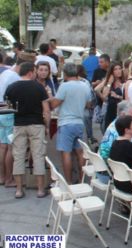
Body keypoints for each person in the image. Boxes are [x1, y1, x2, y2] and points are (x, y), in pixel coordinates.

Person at [5, 62, 49, 198]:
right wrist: (46, 126)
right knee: (38, 156)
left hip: (19, 124)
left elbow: (9, 106)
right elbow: (46, 110)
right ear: (30, 72)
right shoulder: (39, 87)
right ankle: (40, 189)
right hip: (36, 124)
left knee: (18, 156)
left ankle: (19, 190)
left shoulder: (11, 88)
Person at [48, 63, 92, 184]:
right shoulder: (85, 86)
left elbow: (54, 104)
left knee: (66, 153)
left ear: (65, 74)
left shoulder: (64, 86)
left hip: (66, 123)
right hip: (79, 122)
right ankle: (82, 179)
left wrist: (50, 97)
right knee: (80, 152)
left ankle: (68, 182)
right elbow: (89, 105)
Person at [0, 52, 33, 188]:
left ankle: (2, 177)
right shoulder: (15, 77)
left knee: (2, 148)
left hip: (1, 111)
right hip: (9, 112)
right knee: (10, 148)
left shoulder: (6, 73)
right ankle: (9, 179)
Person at [109, 115, 132, 194]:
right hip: (131, 185)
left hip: (118, 181)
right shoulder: (130, 146)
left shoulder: (114, 143)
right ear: (127, 130)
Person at [97, 61, 126, 129]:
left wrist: (117, 96)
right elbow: (104, 96)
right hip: (110, 111)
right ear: (112, 71)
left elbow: (127, 98)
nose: (118, 71)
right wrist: (109, 82)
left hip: (121, 112)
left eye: (119, 68)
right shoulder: (109, 83)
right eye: (115, 69)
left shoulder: (124, 82)